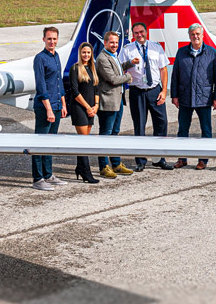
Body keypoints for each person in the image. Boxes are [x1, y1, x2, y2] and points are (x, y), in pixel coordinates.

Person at [119, 21, 172, 170]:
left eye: (141, 32)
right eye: (136, 33)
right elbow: (121, 69)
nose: (139, 35)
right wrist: (130, 63)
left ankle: (159, 158)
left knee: (161, 123)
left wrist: (163, 91)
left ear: (146, 32)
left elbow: (163, 70)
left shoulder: (156, 48)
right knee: (139, 126)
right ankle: (140, 161)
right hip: (137, 91)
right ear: (133, 34)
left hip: (155, 90)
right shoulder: (128, 50)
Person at [170, 24, 216, 169]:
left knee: (206, 130)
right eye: (193, 34)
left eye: (198, 34)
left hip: (204, 98)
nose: (196, 36)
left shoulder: (211, 53)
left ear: (202, 35)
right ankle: (182, 158)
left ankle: (203, 160)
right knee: (182, 129)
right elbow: (175, 75)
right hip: (185, 98)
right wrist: (174, 95)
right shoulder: (181, 52)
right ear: (189, 36)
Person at [31, 26, 67, 190]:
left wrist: (63, 103)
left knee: (50, 142)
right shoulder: (40, 58)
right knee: (40, 142)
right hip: (45, 107)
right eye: (49, 38)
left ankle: (48, 174)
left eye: (54, 39)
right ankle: (38, 178)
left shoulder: (56, 56)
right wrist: (49, 109)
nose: (52, 41)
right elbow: (41, 86)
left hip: (57, 105)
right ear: (44, 39)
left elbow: (59, 81)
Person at [95, 31, 133, 179]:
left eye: (116, 43)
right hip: (108, 103)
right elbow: (112, 79)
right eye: (111, 42)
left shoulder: (113, 55)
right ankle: (104, 166)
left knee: (115, 133)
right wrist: (128, 77)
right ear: (105, 43)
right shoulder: (103, 58)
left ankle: (116, 164)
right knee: (106, 134)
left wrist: (129, 64)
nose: (115, 45)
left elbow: (117, 68)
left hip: (118, 101)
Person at [64, 42, 101, 184]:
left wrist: (96, 106)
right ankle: (86, 172)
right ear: (80, 53)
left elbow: (96, 88)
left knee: (84, 140)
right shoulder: (75, 68)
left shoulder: (92, 68)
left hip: (92, 108)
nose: (86, 55)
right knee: (84, 142)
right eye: (84, 52)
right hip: (80, 108)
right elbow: (75, 91)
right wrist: (87, 107)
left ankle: (80, 167)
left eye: (88, 52)